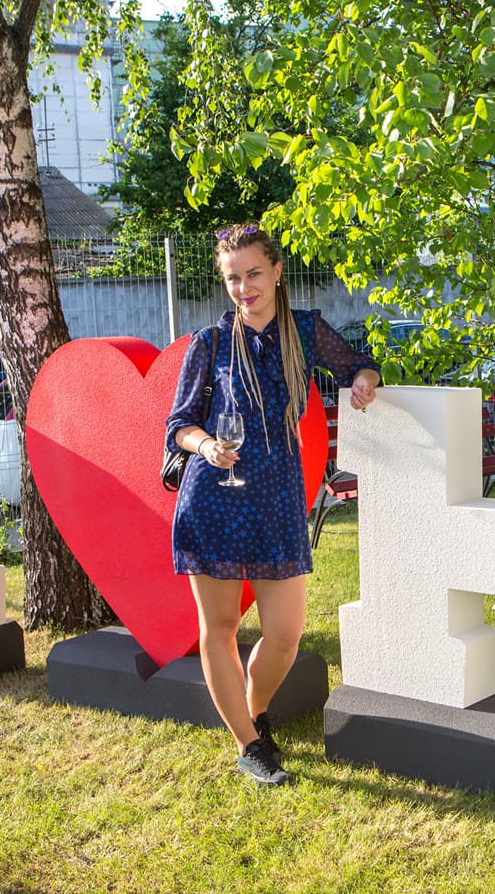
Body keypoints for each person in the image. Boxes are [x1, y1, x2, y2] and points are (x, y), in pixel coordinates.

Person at [165, 222, 380, 787]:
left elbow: (357, 361)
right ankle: (249, 744)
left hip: (278, 500)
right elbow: (178, 426)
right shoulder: (208, 343)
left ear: (278, 272)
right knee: (220, 625)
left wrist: (362, 378)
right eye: (233, 278)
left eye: (254, 273)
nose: (244, 287)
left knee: (285, 633)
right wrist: (205, 444)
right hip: (213, 499)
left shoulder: (305, 331)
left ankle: (254, 714)